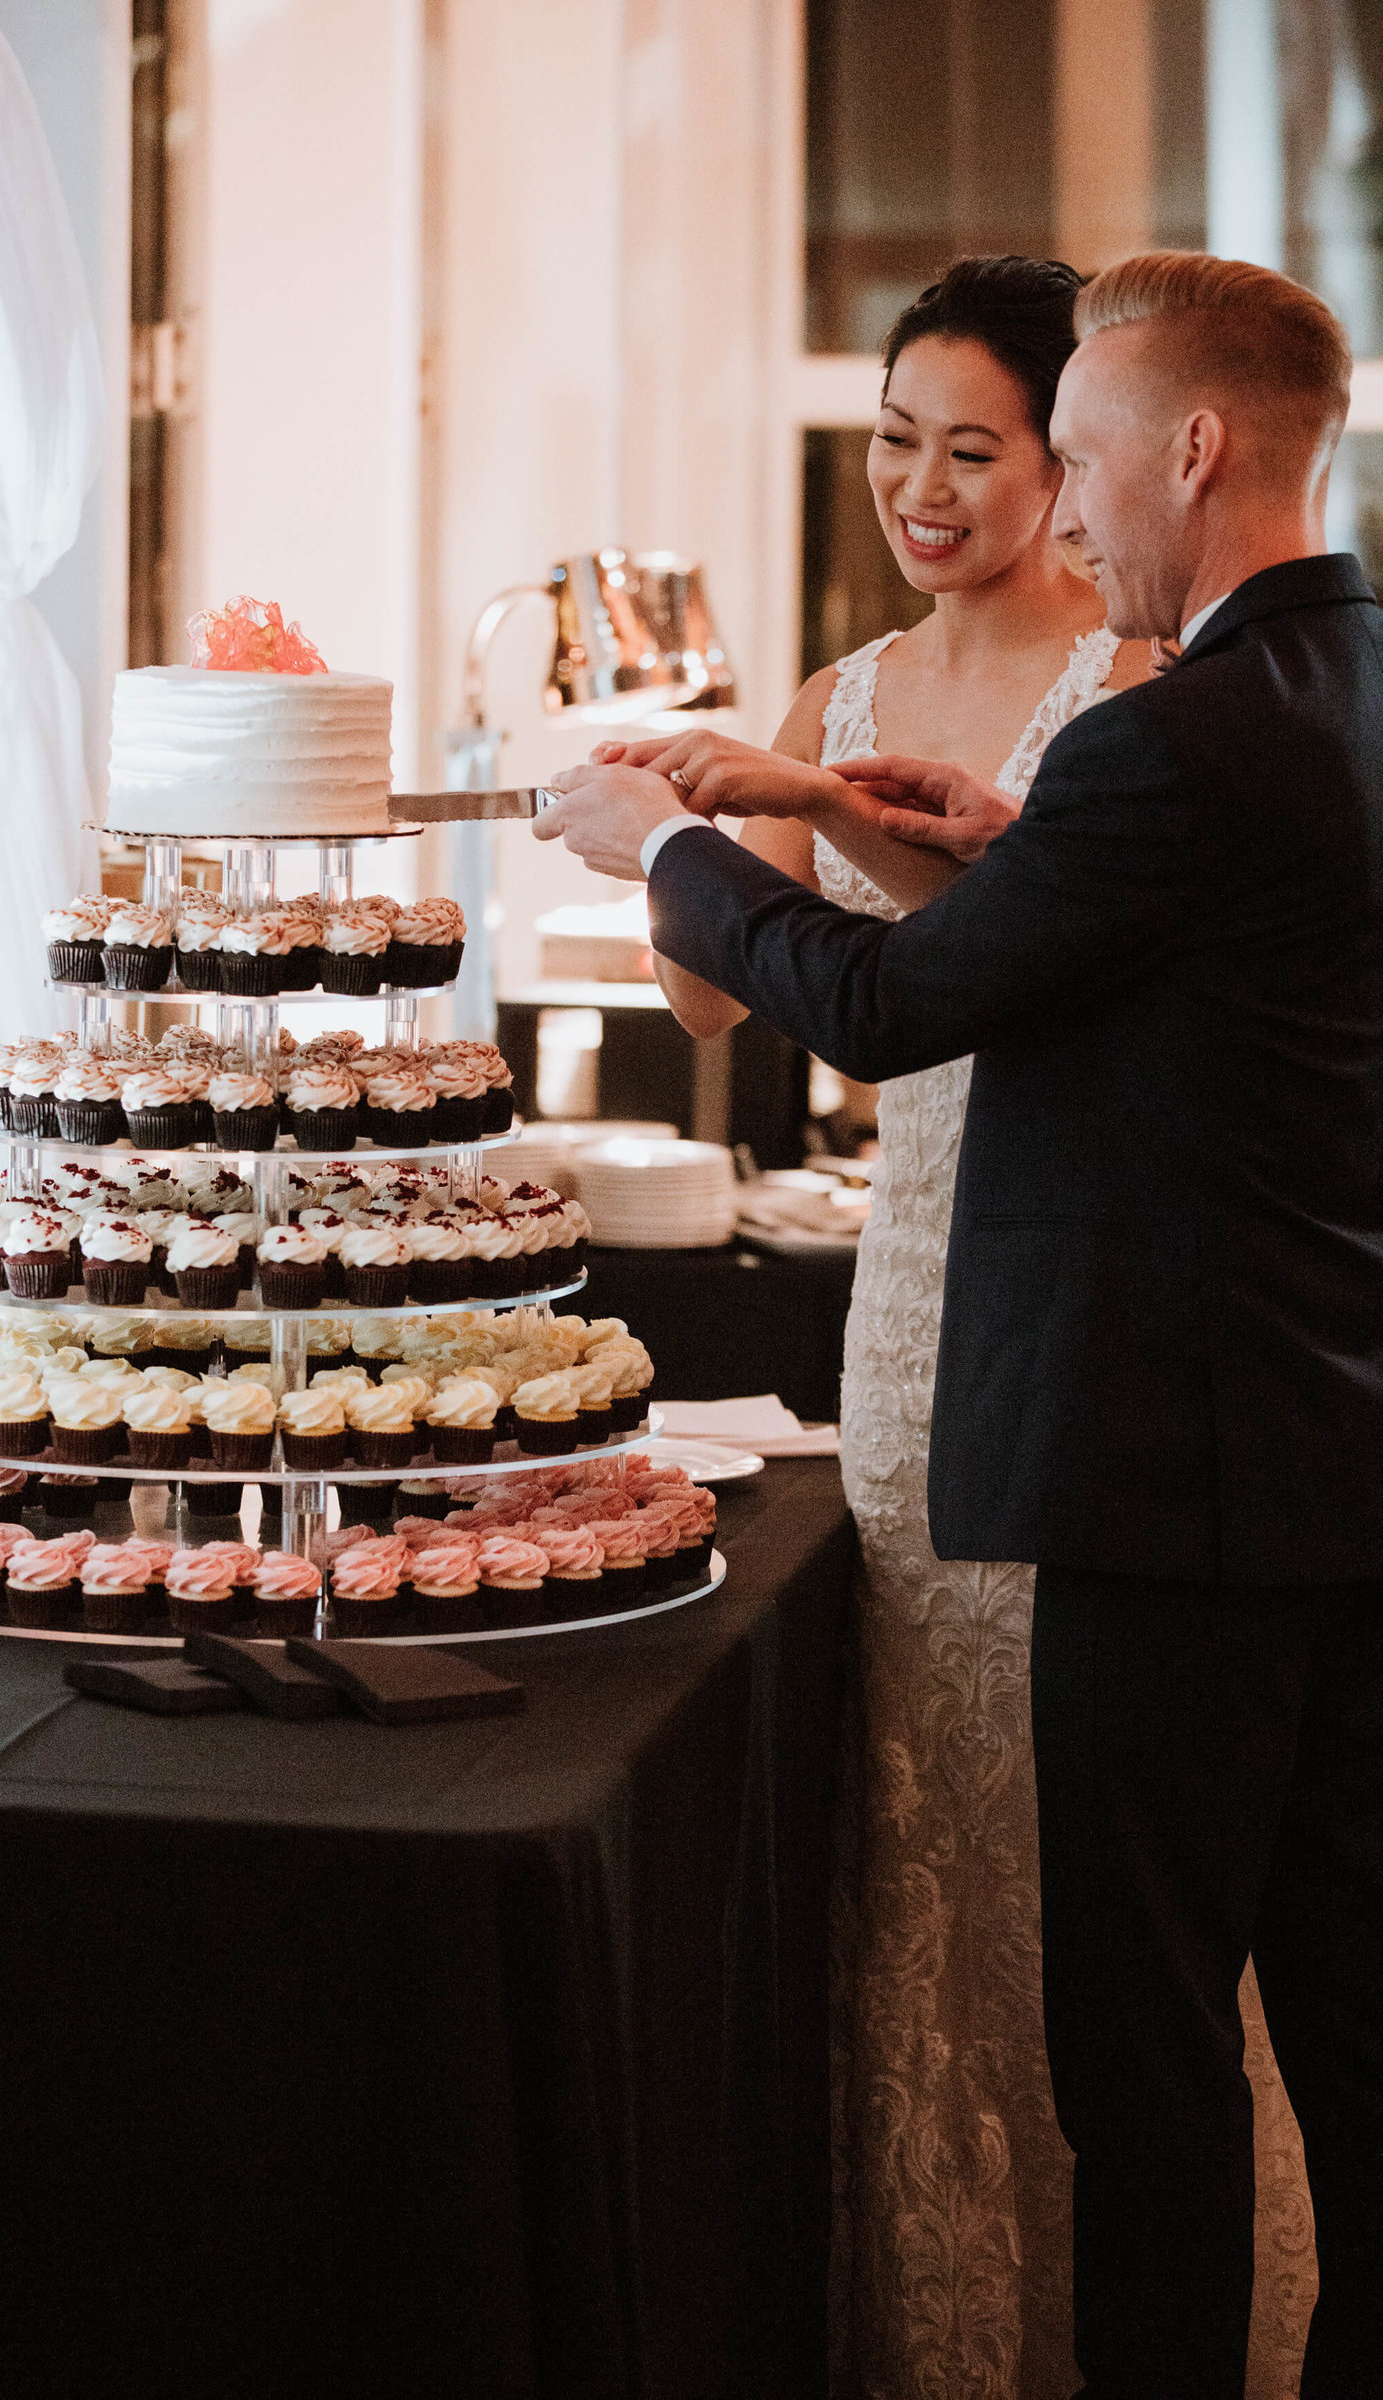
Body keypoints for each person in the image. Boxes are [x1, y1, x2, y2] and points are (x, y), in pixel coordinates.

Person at [537, 251, 1381, 2400]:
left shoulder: (1168, 732)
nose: (1069, 511)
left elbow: (887, 1007)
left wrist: (667, 847)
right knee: (1354, 2046)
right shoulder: (1339, 686)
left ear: (1191, 446)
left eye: (1077, 457)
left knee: (1145, 2057)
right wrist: (982, 838)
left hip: (1161, 1494)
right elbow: (1205, 977)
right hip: (1335, 1469)